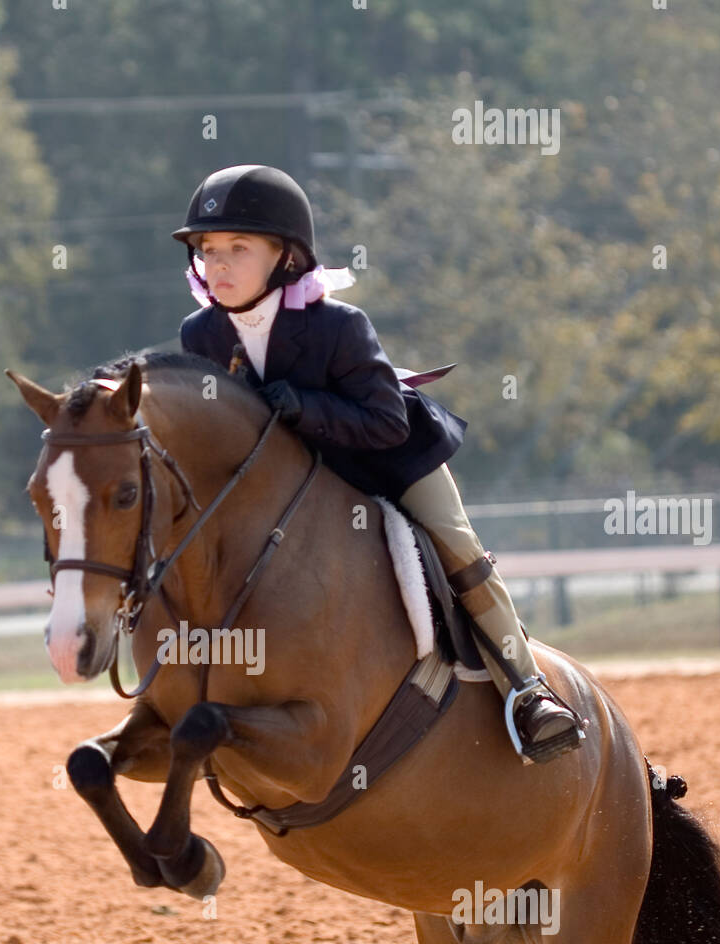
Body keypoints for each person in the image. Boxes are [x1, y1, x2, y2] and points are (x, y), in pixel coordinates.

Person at [172, 163, 583, 763]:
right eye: (208, 250)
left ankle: (528, 690)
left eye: (238, 248)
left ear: (286, 257)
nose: (220, 264)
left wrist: (300, 407)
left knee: (456, 547)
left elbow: (386, 420)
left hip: (389, 458)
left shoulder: (338, 325)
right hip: (299, 484)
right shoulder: (201, 335)